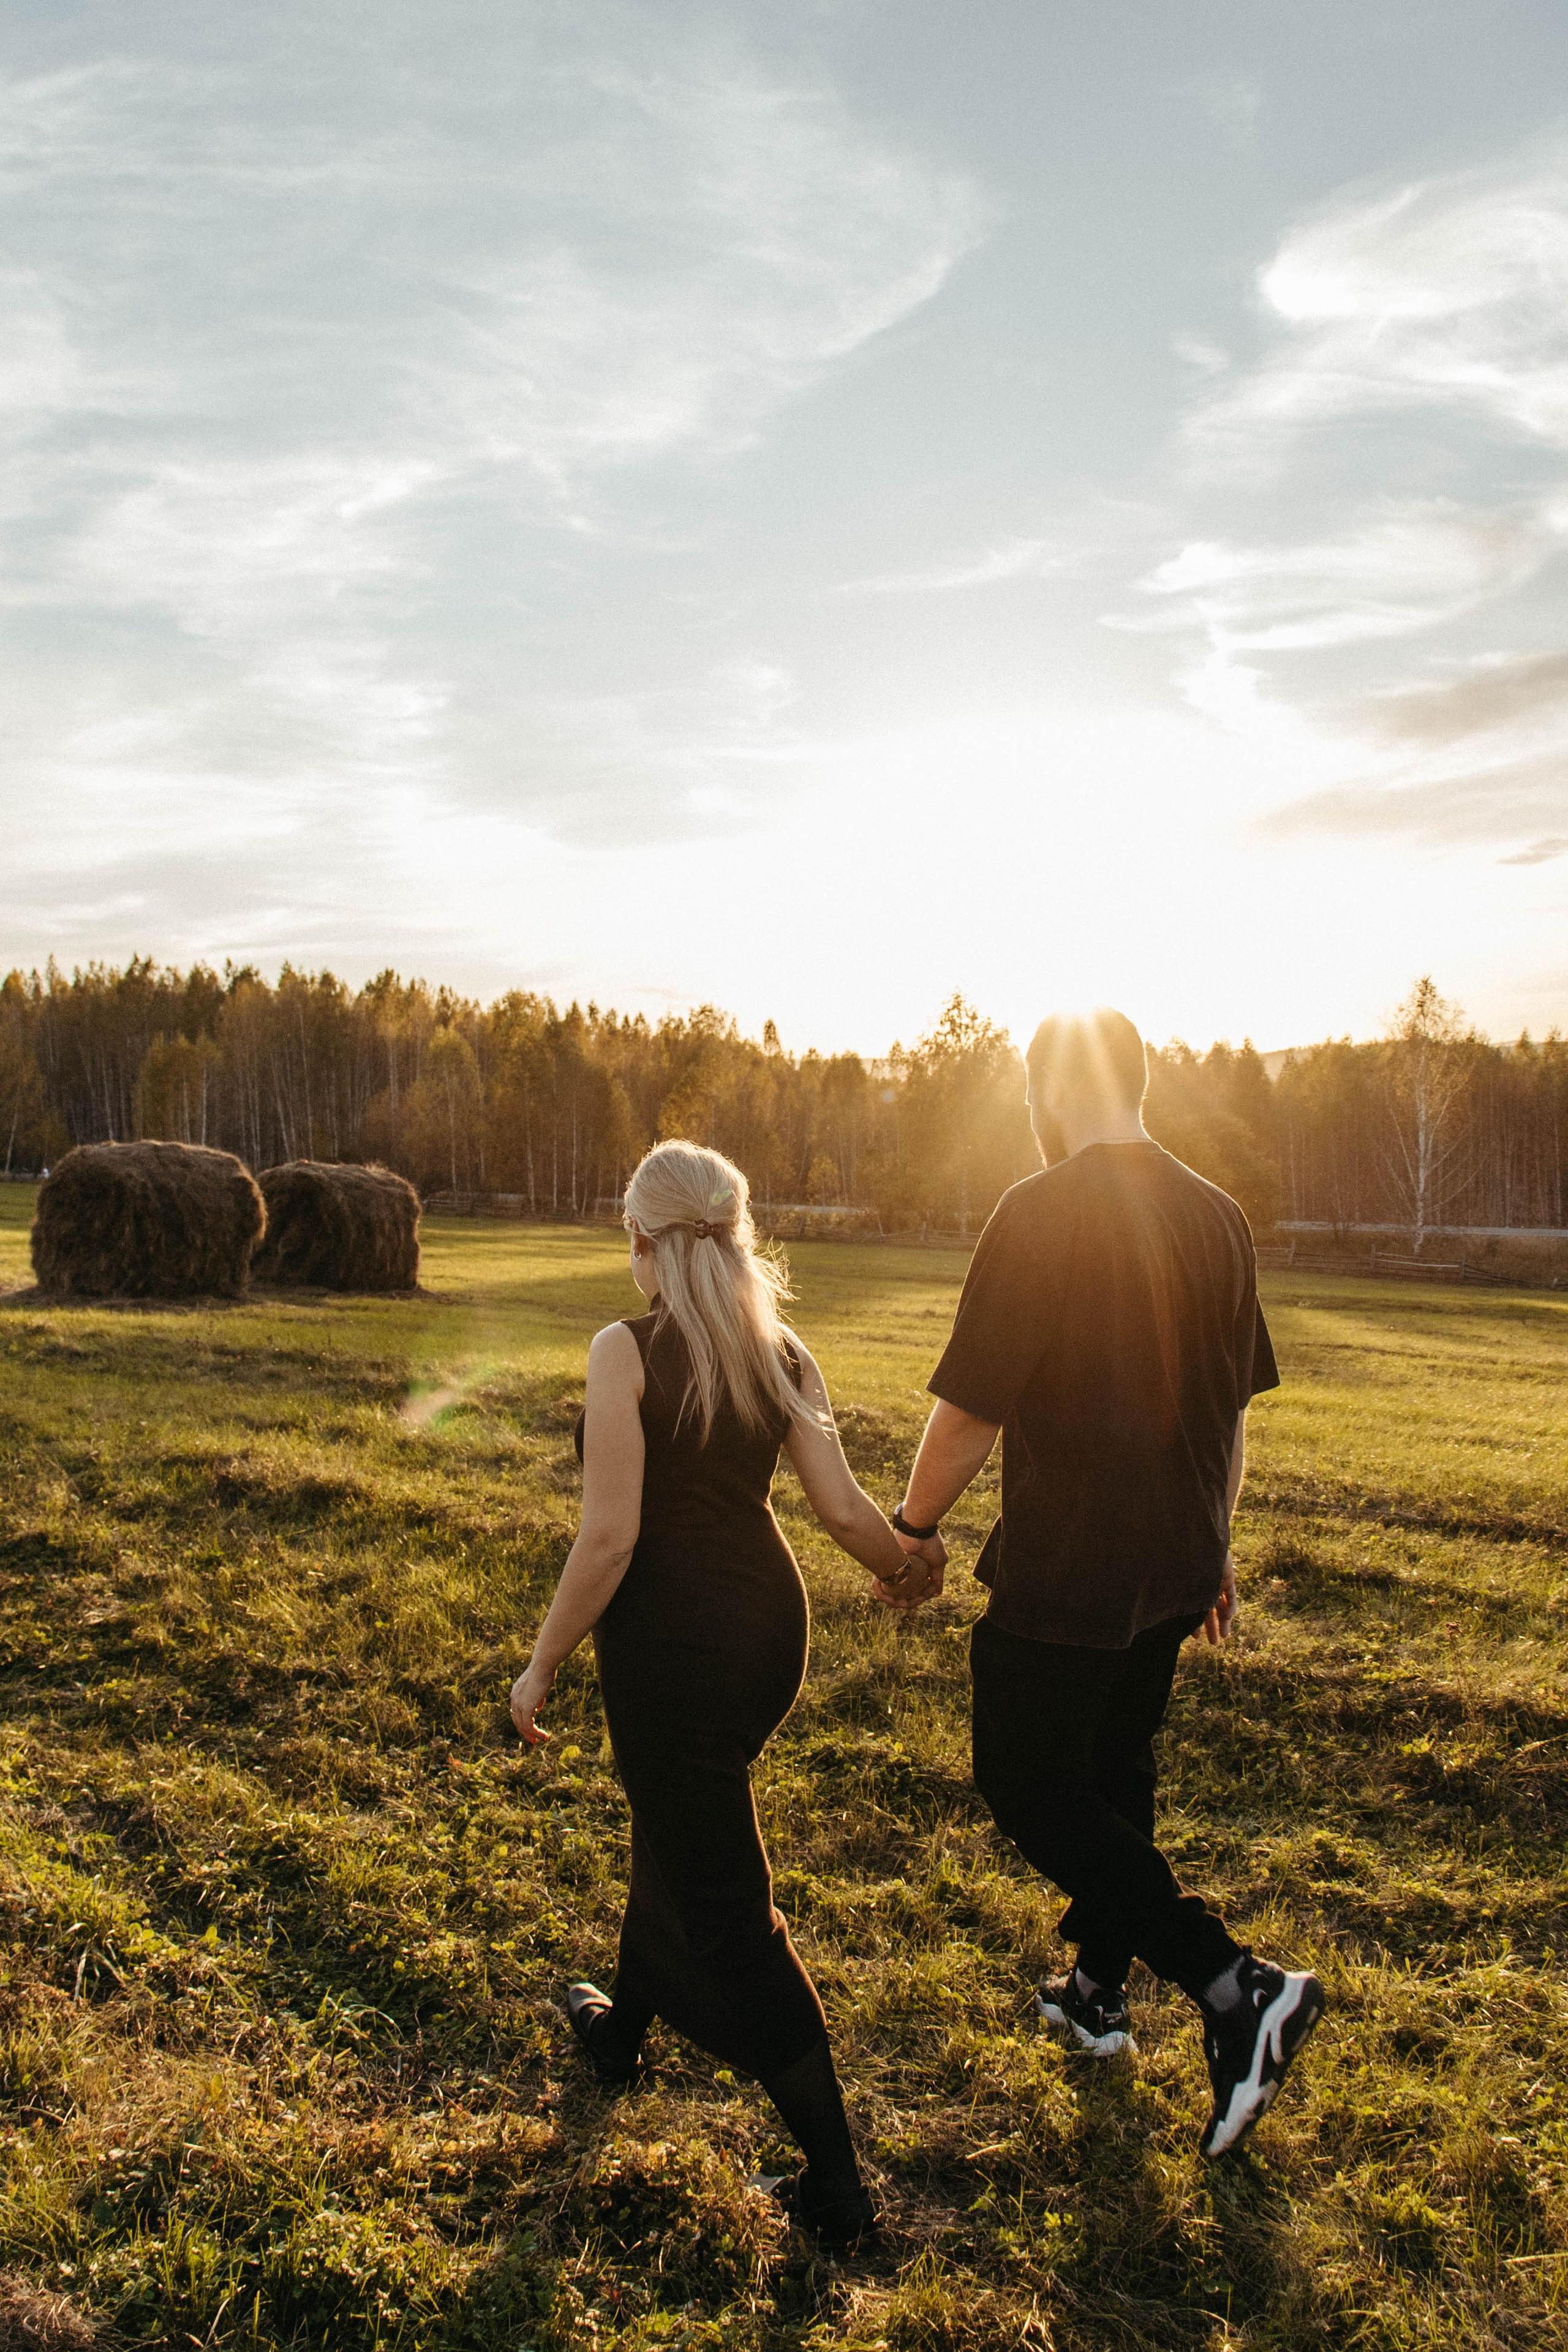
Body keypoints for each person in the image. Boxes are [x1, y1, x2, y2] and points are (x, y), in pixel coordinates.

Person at [881, 1009, 1325, 2160]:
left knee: (1025, 1780)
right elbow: (1230, 1414)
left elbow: (973, 1404)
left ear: (1051, 1092)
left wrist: (913, 1526)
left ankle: (1233, 1987)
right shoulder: (1219, 1217)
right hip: (1177, 1559)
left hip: (1075, 1561)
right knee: (1117, 1778)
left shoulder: (1038, 1212)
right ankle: (1094, 1994)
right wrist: (1216, 1542)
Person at [508, 1139, 919, 2251]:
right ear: (736, 1238)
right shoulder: (780, 1347)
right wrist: (902, 1566)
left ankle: (838, 2190)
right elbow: (839, 1509)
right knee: (680, 1827)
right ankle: (621, 2032)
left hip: (673, 1654)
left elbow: (608, 1540)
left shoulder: (622, 1351)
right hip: (763, 1641)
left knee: (730, 1914)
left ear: (641, 1243)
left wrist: (541, 1663)